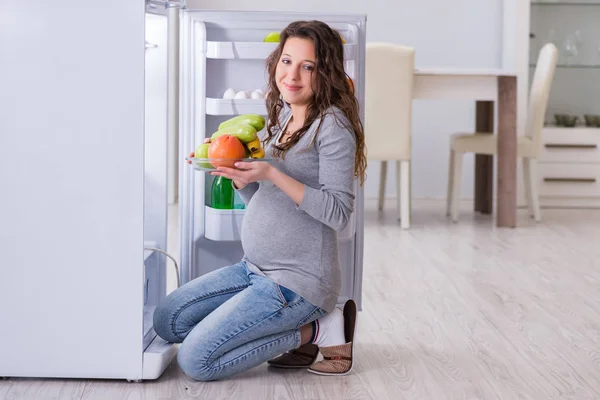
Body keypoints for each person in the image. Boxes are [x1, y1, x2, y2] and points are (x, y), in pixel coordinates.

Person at [153, 20, 367, 381]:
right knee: (167, 319)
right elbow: (266, 199)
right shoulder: (283, 115)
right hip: (253, 269)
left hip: (299, 283)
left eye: (308, 66)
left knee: (196, 361)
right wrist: (238, 178)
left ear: (325, 72)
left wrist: (272, 173)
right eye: (287, 61)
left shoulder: (332, 127)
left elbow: (339, 213)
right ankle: (271, 328)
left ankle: (319, 330)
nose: (292, 75)